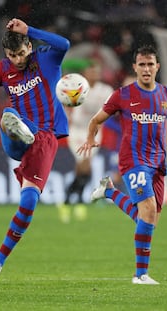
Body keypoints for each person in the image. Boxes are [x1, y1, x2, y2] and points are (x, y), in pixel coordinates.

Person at [0, 18, 70, 292]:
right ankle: (16, 127)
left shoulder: (47, 60)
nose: (17, 59)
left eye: (22, 53)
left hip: (44, 140)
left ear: (29, 46)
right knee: (9, 115)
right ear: (6, 54)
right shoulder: (3, 69)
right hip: (16, 139)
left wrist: (30, 30)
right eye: (12, 55)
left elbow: (64, 43)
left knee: (28, 204)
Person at [78, 45, 167, 285]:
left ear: (157, 67)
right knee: (146, 211)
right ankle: (140, 275)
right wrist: (90, 138)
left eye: (150, 64)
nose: (146, 69)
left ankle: (109, 192)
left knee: (150, 220)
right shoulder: (122, 95)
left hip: (158, 162)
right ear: (135, 67)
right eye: (142, 64)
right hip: (133, 160)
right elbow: (96, 120)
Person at [58, 59, 114, 223]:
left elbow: (111, 108)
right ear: (85, 74)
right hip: (77, 131)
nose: (94, 74)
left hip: (94, 131)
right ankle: (78, 201)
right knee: (85, 165)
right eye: (91, 72)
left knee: (83, 169)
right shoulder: (78, 87)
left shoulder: (106, 90)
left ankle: (68, 201)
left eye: (97, 72)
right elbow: (63, 100)